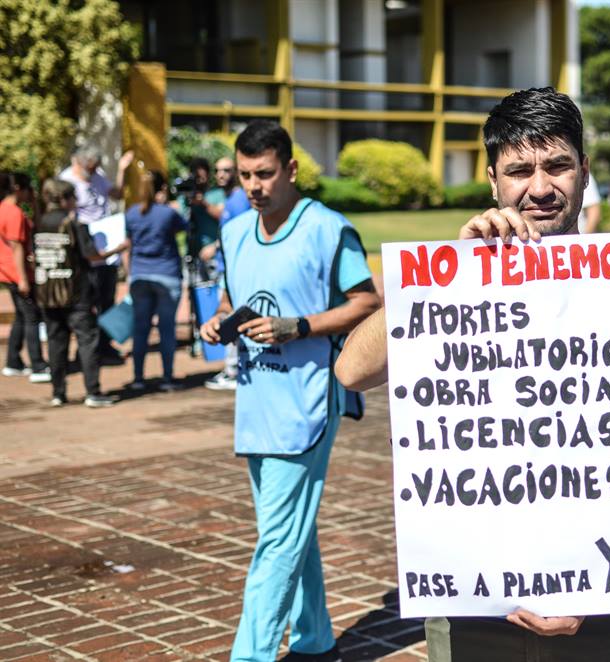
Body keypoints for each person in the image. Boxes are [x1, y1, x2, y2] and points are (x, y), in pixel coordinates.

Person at [334, 87, 610, 662]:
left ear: (584, 172)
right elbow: (353, 370)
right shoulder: (453, 285)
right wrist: (448, 275)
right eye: (519, 170)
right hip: (472, 600)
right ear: (493, 182)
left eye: (557, 165)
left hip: (599, 610)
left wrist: (591, 580)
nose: (539, 188)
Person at [198, 120, 380, 661]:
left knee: (276, 542)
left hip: (307, 402)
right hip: (255, 404)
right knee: (289, 531)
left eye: (265, 174)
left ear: (291, 169)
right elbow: (233, 300)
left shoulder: (328, 229)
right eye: (246, 176)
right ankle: (316, 639)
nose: (254, 186)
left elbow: (367, 303)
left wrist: (297, 326)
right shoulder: (233, 232)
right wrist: (220, 321)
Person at [33, 179, 121, 407]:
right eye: (73, 197)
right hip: (76, 294)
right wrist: (119, 248)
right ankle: (93, 391)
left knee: (55, 342)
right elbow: (92, 256)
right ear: (64, 199)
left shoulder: (40, 223)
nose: (75, 202)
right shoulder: (75, 225)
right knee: (87, 341)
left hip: (47, 293)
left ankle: (58, 392)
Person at [59, 146, 134, 362]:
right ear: (79, 163)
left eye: (95, 169)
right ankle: (84, 350)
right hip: (86, 250)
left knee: (106, 299)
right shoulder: (67, 181)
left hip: (108, 248)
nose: (93, 172)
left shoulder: (97, 177)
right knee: (85, 304)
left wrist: (121, 169)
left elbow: (117, 193)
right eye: (90, 168)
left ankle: (105, 345)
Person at [122, 171, 187, 392]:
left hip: (140, 275)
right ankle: (167, 378)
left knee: (141, 329)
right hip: (166, 274)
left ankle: (138, 377)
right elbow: (185, 227)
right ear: (163, 188)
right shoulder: (168, 213)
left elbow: (129, 243)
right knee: (166, 329)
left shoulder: (131, 213)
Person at [204, 156, 252, 391]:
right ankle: (232, 367)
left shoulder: (240, 199)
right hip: (226, 267)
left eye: (226, 170)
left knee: (231, 317)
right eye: (218, 170)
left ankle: (233, 369)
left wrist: (215, 247)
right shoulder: (231, 199)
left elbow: (243, 235)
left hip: (235, 268)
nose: (221, 174)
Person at [1, 172, 49, 382]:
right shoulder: (13, 213)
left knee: (22, 317)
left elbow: (37, 227)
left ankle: (13, 361)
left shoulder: (8, 209)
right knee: (32, 318)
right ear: (18, 188)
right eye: (30, 188)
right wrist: (23, 278)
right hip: (16, 273)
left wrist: (36, 204)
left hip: (8, 272)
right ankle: (38, 365)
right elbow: (17, 248)